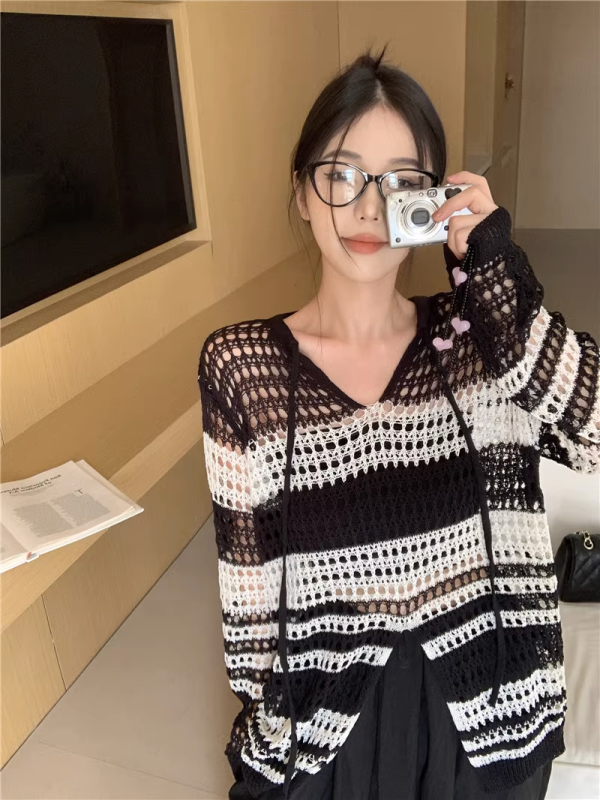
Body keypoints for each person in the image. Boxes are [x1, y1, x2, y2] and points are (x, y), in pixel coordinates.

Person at [197, 44, 599, 800]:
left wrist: (495, 280)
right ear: (303, 192)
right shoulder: (244, 368)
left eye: (402, 183)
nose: (368, 208)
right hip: (331, 735)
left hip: (490, 724)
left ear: (437, 198)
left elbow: (595, 431)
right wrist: (274, 729)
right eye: (341, 175)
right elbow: (248, 597)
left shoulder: (481, 342)